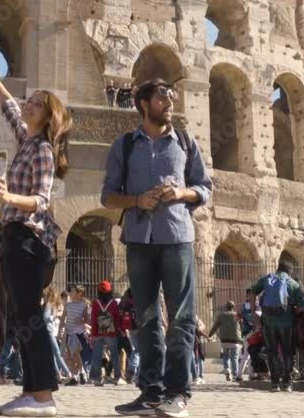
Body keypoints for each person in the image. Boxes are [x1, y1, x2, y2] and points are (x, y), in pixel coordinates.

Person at [102, 78, 212, 418]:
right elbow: (107, 196)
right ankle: (151, 393)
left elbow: (204, 188)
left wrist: (181, 194)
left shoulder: (185, 142)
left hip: (177, 236)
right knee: (145, 317)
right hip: (138, 239)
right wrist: (138, 199)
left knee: (181, 317)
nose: (171, 101)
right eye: (163, 96)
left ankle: (178, 393)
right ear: (144, 104)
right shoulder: (123, 146)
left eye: (172, 95)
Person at [0, 53, 72, 417]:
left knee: (29, 315)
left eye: (35, 104)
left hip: (30, 238)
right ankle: (32, 391)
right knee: (21, 316)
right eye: (29, 101)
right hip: (15, 235)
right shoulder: (26, 141)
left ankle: (44, 395)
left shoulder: (44, 150)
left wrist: (6, 197)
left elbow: (41, 200)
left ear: (48, 116)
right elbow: (8, 108)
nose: (27, 105)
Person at [250, 262, 304, 392]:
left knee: (271, 351)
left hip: (268, 322)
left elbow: (253, 293)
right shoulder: (293, 283)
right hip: (286, 323)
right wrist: (293, 312)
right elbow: (301, 306)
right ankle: (287, 383)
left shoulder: (267, 279)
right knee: (288, 352)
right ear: (289, 272)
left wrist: (253, 312)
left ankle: (275, 384)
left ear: (278, 269)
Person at [90, 280, 123, 386]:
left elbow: (93, 319)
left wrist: (93, 334)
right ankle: (117, 377)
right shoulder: (113, 303)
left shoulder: (95, 303)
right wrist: (119, 330)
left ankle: (97, 379)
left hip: (97, 333)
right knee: (114, 355)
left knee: (96, 356)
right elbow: (117, 319)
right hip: (111, 333)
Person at [62, 286, 90, 386]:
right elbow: (62, 319)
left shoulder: (84, 305)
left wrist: (81, 321)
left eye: (73, 291)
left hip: (79, 333)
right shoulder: (67, 305)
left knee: (75, 354)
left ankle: (82, 373)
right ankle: (75, 377)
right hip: (68, 333)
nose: (71, 293)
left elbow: (87, 319)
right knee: (70, 356)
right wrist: (59, 333)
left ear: (79, 294)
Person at [209, 301, 243, 382]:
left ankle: (227, 369)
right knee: (234, 357)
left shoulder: (221, 315)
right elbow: (242, 325)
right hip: (235, 340)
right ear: (233, 307)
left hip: (224, 340)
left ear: (226, 307)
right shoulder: (237, 315)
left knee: (226, 356)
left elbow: (215, 326)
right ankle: (235, 375)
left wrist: (210, 334)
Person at [43, 287, 72, 382]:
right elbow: (46, 317)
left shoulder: (48, 304)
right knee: (57, 353)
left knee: (53, 354)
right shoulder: (49, 305)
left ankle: (58, 374)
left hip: (48, 331)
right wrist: (54, 315)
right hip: (49, 331)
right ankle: (67, 373)